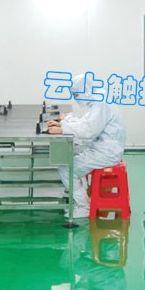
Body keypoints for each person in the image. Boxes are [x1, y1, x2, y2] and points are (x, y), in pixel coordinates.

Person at [47, 74, 127, 218]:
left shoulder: (100, 102)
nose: (76, 98)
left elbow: (89, 130)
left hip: (106, 152)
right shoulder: (98, 99)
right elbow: (87, 122)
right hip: (102, 146)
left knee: (66, 169)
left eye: (77, 94)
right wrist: (65, 122)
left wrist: (63, 129)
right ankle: (76, 192)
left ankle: (83, 206)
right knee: (69, 153)